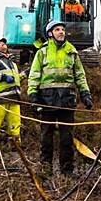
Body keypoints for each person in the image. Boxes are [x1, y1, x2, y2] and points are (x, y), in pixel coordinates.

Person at [27, 20, 92, 176]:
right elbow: (34, 75)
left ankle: (67, 170)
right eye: (57, 29)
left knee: (66, 138)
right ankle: (45, 169)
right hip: (46, 100)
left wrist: (85, 94)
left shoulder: (72, 51)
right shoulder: (42, 52)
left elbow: (80, 75)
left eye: (63, 29)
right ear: (50, 33)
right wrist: (33, 95)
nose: (61, 32)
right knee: (46, 138)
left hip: (67, 100)